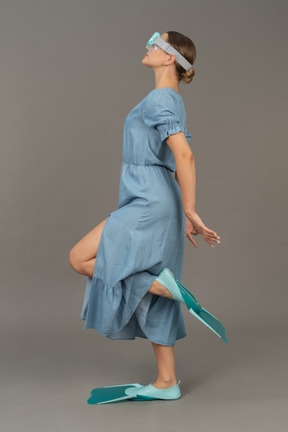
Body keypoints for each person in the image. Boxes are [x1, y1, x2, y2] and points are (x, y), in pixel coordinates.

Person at [69, 31, 221, 394]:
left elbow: (184, 155)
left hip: (149, 201)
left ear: (170, 58)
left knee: (79, 258)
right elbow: (176, 158)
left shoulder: (160, 100)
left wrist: (191, 210)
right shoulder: (172, 99)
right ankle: (167, 381)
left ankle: (161, 287)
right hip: (156, 198)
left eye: (157, 42)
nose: (149, 45)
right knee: (155, 284)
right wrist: (183, 213)